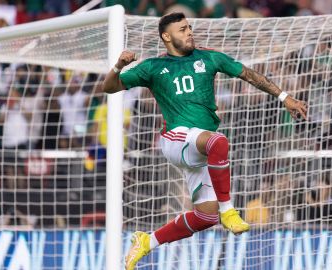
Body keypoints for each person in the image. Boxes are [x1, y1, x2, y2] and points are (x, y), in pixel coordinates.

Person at [102, 12, 308, 270]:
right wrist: (119, 65)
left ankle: (148, 241)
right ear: (167, 36)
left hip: (199, 151)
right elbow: (109, 87)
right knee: (218, 142)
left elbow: (249, 74)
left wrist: (284, 97)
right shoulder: (152, 67)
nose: (189, 32)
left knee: (206, 216)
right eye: (182, 29)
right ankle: (229, 210)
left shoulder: (209, 57)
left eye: (189, 27)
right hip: (175, 140)